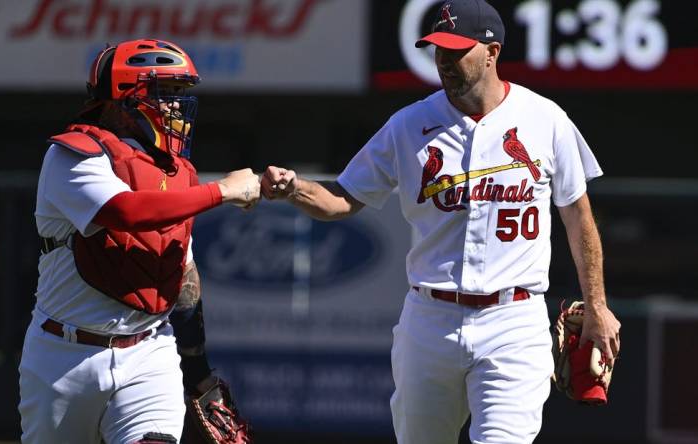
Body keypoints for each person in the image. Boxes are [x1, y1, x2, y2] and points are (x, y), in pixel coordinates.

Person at [261, 1, 621, 443]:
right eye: (437, 50)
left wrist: (598, 305)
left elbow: (578, 216)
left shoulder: (545, 119)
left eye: (456, 50)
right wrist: (294, 188)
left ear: (492, 52)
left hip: (514, 319)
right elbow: (343, 198)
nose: (444, 61)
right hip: (430, 318)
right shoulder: (409, 124)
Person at [19, 38, 260, 444]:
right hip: (65, 354)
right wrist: (224, 191)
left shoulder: (178, 172)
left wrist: (199, 372)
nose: (176, 106)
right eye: (164, 93)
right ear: (122, 98)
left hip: (150, 350)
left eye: (180, 94)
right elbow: (126, 213)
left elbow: (180, 273)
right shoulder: (72, 156)